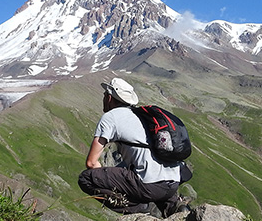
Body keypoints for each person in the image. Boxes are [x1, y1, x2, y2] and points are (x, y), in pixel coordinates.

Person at [78, 78, 188, 218]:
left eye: (105, 94)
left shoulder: (110, 117)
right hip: (173, 183)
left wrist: (112, 184)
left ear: (109, 97)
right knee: (141, 172)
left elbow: (91, 163)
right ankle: (175, 207)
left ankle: (140, 211)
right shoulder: (141, 115)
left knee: (86, 178)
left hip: (149, 187)